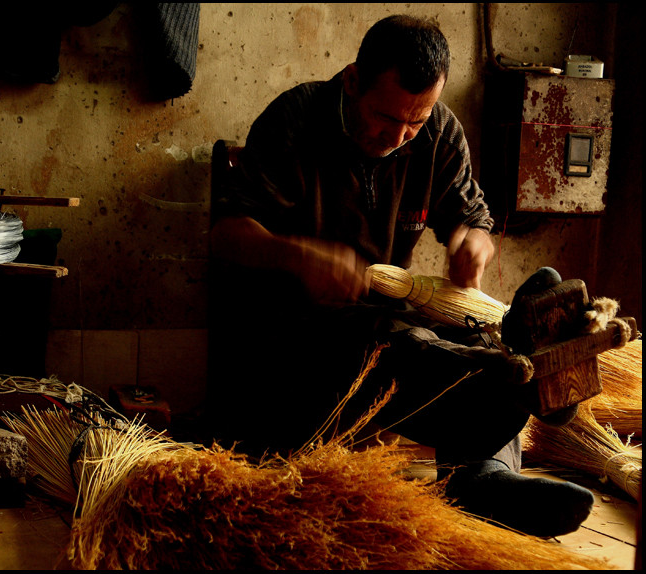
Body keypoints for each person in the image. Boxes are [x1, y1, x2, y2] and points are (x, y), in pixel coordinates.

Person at [206, 14, 594, 538]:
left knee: (469, 332)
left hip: (388, 310)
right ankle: (521, 384)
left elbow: (472, 218)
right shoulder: (296, 120)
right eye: (385, 118)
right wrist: (298, 255)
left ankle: (486, 470)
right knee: (408, 345)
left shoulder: (436, 131)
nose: (399, 136)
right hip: (301, 333)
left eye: (416, 121)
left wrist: (469, 245)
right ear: (351, 81)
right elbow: (227, 232)